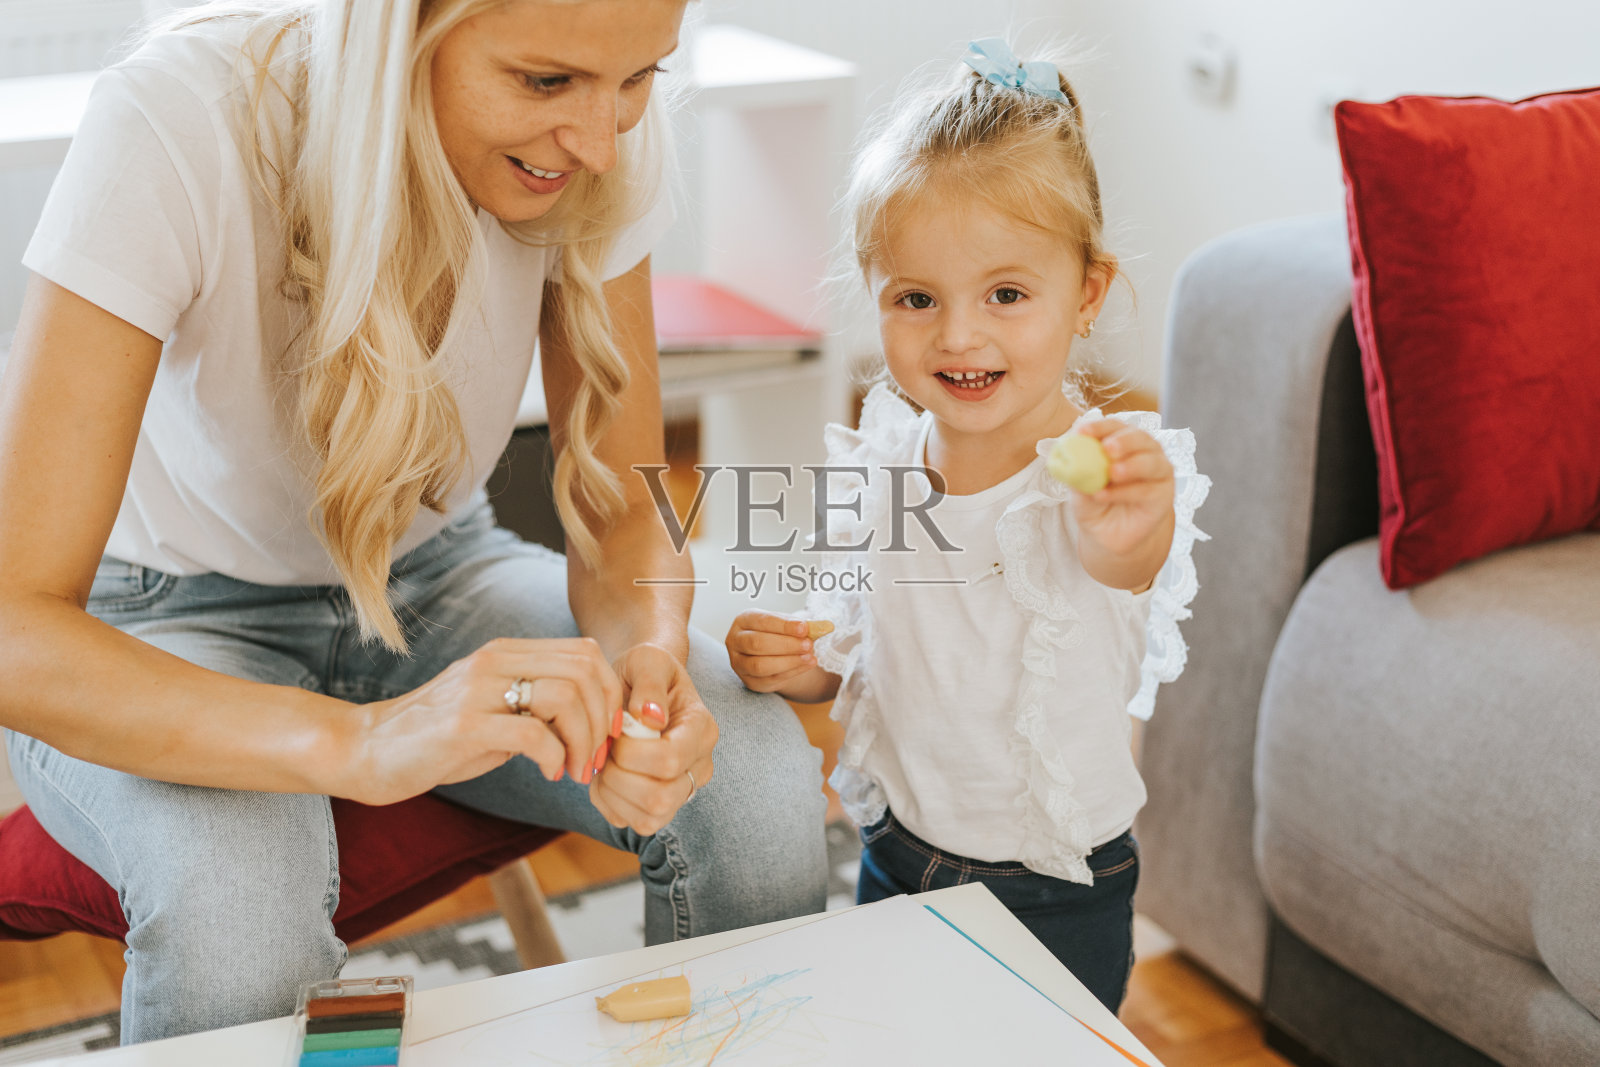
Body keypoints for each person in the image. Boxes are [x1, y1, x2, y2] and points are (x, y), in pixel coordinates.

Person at [0, 0, 827, 1044]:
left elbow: (623, 517)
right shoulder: (176, 119)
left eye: (640, 79)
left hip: (437, 572)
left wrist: (652, 656)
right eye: (543, 82)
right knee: (239, 911)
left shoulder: (602, 119)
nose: (602, 139)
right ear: (399, 29)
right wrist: (365, 739)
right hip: (158, 618)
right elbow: (16, 628)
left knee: (751, 775)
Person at [724, 38, 1208, 1013]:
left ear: (1087, 294)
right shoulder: (887, 455)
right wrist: (807, 660)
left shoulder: (1096, 470)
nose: (956, 334)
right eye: (915, 298)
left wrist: (1130, 518)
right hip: (893, 854)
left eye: (1006, 294)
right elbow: (872, 635)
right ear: (875, 296)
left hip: (1049, 891)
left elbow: (1122, 562)